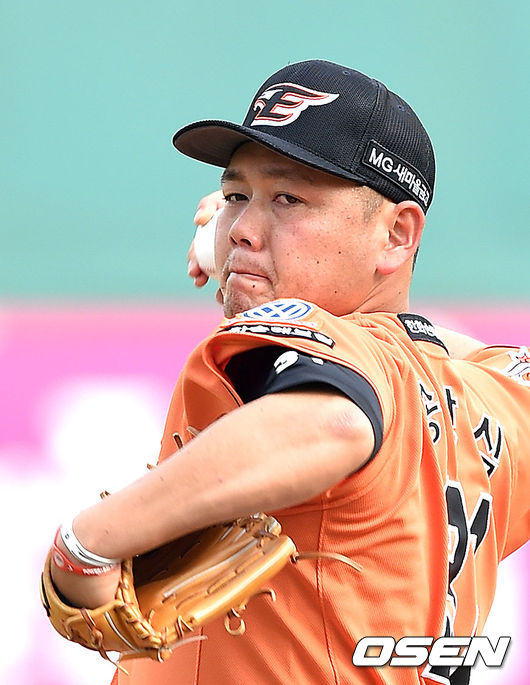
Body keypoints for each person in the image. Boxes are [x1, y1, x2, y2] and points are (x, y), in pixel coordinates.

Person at [47, 60, 529, 685]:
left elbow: (332, 424)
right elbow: (429, 354)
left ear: (396, 235)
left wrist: (88, 543)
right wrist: (257, 233)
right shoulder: (494, 395)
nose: (242, 230)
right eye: (234, 196)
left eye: (290, 198)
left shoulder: (322, 341)